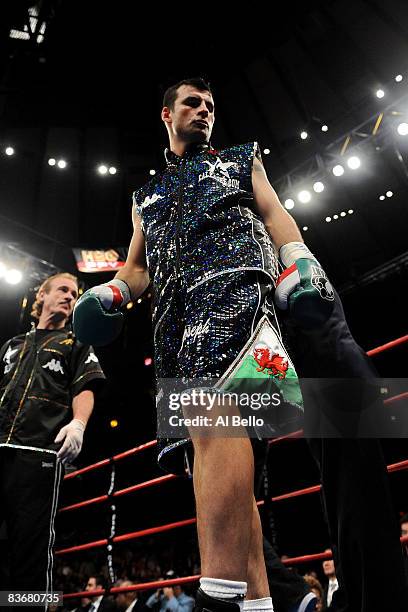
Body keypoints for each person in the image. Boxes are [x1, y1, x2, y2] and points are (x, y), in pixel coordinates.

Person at [73, 78, 408, 612]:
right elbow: (136, 267)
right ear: (166, 113)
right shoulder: (146, 195)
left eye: (210, 105)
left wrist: (299, 257)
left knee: (222, 421)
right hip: (175, 325)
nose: (204, 111)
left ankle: (221, 594)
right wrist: (113, 290)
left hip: (240, 299)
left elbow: (274, 212)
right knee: (213, 462)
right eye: (192, 103)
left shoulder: (239, 159)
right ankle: (256, 602)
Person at [0, 272, 105, 601]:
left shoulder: (76, 343)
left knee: (32, 553)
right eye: (62, 290)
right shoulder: (11, 346)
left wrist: (78, 424)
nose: (69, 297)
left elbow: (85, 387)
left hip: (39, 456)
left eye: (74, 294)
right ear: (41, 296)